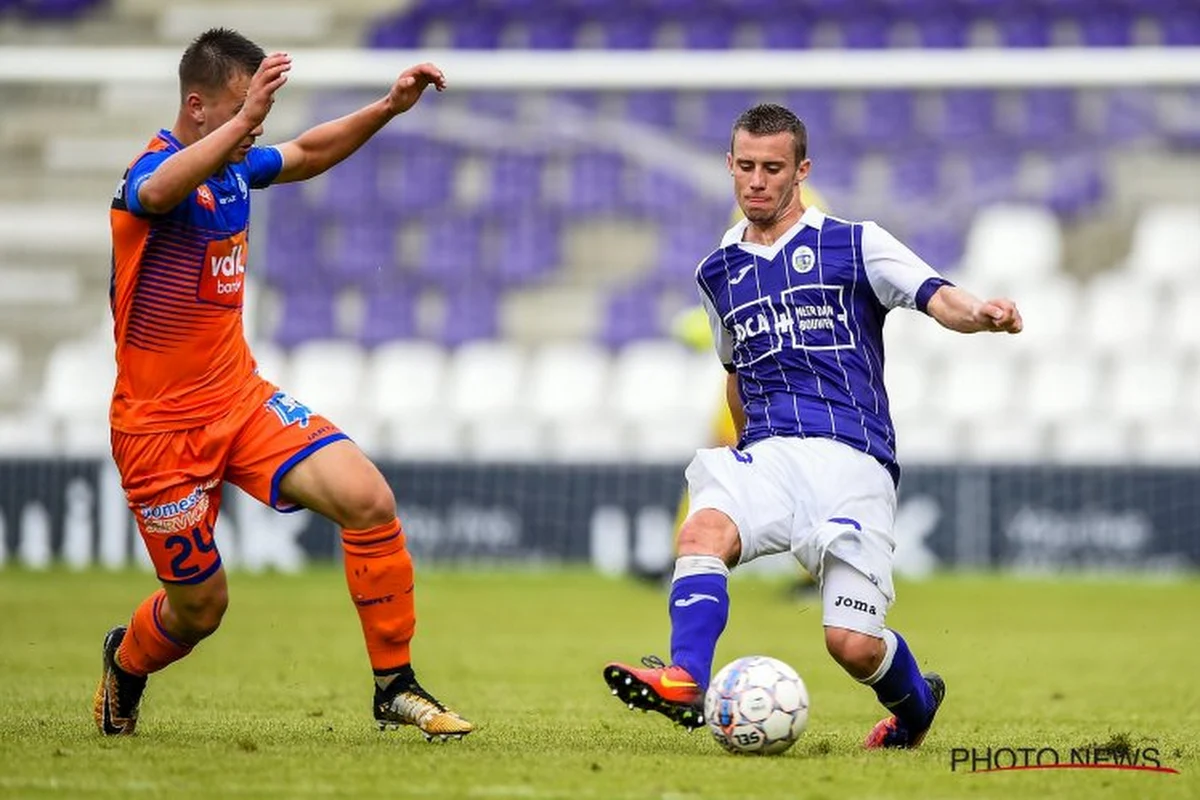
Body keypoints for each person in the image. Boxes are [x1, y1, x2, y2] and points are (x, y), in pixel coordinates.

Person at [603, 103, 1022, 749]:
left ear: (802, 170)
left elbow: (936, 294)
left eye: (773, 168)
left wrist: (981, 314)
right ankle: (686, 678)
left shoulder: (855, 242)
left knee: (851, 645)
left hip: (852, 459)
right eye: (746, 167)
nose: (757, 181)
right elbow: (734, 369)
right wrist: (745, 449)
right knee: (703, 529)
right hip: (770, 450)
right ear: (730, 166)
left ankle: (914, 713)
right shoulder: (718, 271)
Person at [95, 28, 473, 741]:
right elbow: (154, 191)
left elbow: (308, 152)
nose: (256, 128)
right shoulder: (153, 173)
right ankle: (126, 660)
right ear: (199, 107)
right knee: (200, 610)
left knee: (368, 498)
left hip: (240, 400)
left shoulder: (237, 166)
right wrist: (242, 126)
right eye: (243, 111)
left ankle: (394, 684)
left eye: (258, 116)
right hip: (159, 433)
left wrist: (387, 107)